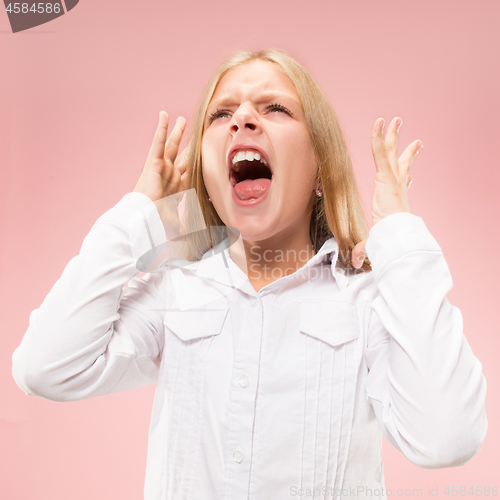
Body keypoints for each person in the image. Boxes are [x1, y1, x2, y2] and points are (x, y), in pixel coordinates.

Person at [12, 49, 487, 500]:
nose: (241, 118)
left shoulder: (365, 300)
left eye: (275, 108)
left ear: (321, 169)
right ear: (210, 177)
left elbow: (447, 438)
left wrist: (398, 238)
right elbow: (46, 368)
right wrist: (145, 217)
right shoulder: (174, 292)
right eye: (221, 115)